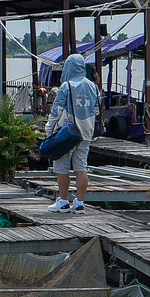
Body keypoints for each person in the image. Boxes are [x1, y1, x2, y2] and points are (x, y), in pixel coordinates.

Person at [44, 53, 98, 212]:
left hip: (67, 132)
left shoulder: (66, 85)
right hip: (86, 131)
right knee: (81, 167)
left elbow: (57, 110)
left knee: (62, 167)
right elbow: (95, 109)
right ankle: (80, 203)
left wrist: (49, 129)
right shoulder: (92, 86)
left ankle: (63, 201)